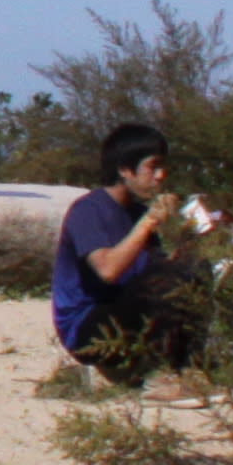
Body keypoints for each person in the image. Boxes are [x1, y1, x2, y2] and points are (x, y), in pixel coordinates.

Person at [52, 121, 214, 380]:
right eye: (153, 167)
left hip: (128, 314)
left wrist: (190, 242)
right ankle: (166, 376)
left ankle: (189, 367)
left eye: (163, 167)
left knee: (193, 272)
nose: (161, 175)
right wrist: (149, 222)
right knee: (166, 284)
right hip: (88, 327)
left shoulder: (136, 212)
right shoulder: (88, 210)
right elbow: (108, 271)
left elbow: (155, 269)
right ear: (126, 169)